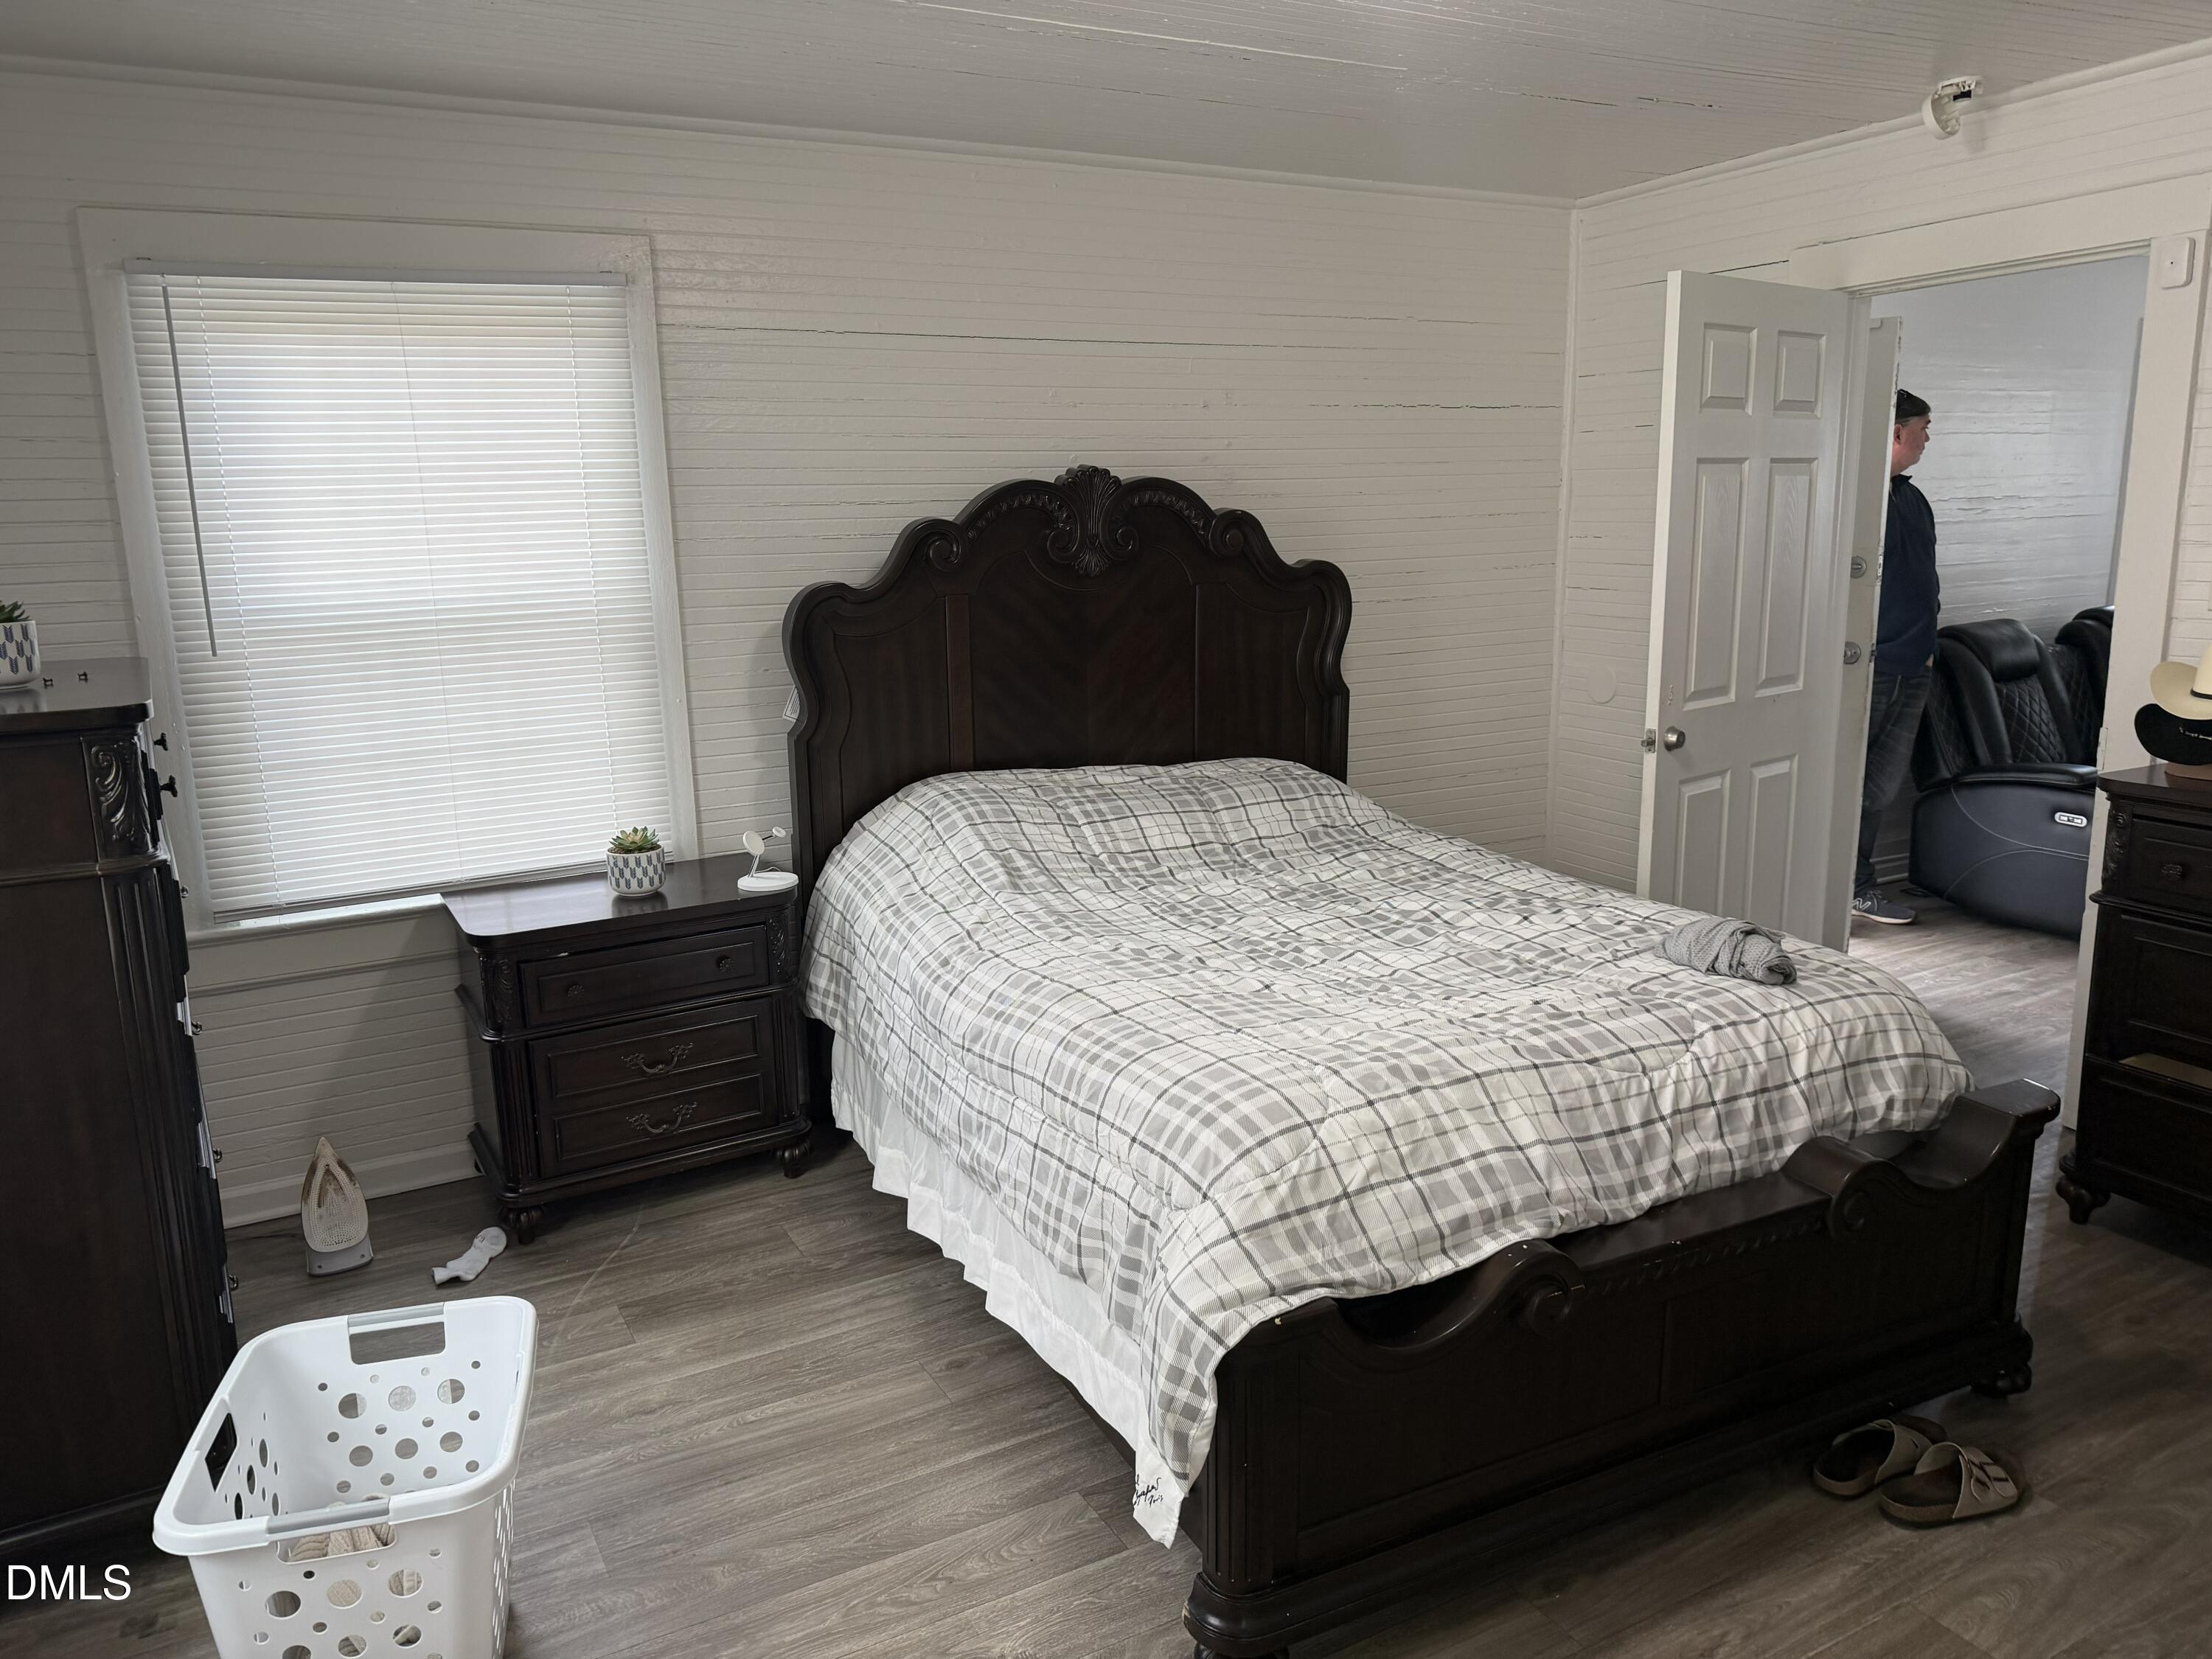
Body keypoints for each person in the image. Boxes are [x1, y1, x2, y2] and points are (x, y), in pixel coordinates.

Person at [1853, 389, 1938, 925]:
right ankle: (1838, 884)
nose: (1929, 438)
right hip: (1872, 667)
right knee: (1848, 780)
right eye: (1924, 428)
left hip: (1915, 664)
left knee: (1880, 786)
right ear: (1897, 432)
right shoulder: (1860, 501)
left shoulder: (1911, 498)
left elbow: (1923, 578)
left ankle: (1856, 886)